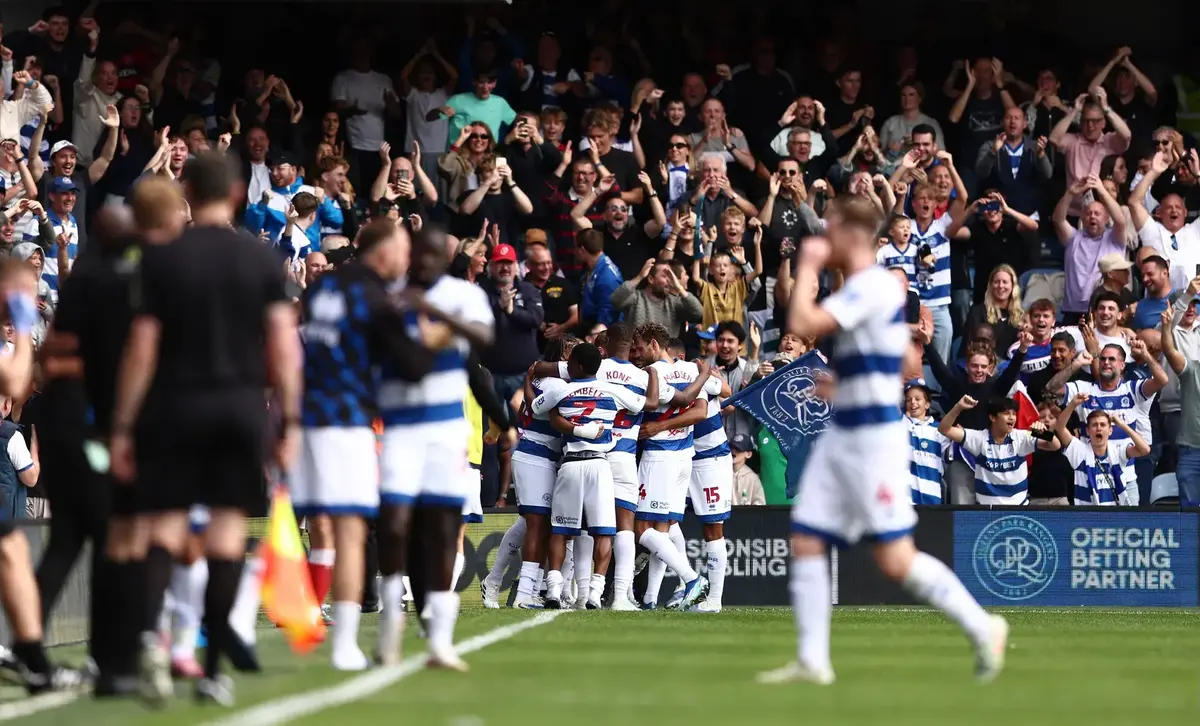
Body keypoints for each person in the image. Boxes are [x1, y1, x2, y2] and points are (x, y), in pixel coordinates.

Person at [758, 195, 1006, 687]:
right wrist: (845, 382)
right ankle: (813, 660)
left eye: (831, 229)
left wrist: (806, 265)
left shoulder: (874, 284)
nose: (824, 238)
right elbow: (898, 362)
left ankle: (984, 625)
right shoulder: (863, 288)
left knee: (895, 560)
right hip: (844, 431)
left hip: (872, 440)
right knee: (806, 539)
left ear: (853, 234)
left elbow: (802, 325)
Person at [107, 153, 303, 706]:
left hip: (172, 408)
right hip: (240, 410)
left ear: (187, 189)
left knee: (164, 531)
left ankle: (150, 636)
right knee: (223, 537)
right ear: (239, 192)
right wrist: (288, 418)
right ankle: (213, 669)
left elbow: (142, 348)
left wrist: (123, 425)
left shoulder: (164, 260)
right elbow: (284, 348)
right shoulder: (261, 259)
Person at [378, 225, 495, 670]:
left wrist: (434, 315)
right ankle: (392, 616)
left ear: (447, 258)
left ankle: (440, 640)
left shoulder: (464, 296)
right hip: (400, 427)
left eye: (434, 254)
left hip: (448, 431)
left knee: (445, 529)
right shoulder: (389, 297)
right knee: (393, 524)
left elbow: (485, 339)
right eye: (419, 254)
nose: (425, 261)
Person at [528, 342, 645, 610]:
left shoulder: (561, 389)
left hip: (570, 464)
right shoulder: (614, 390)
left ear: (578, 366)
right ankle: (595, 593)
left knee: (561, 529)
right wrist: (649, 377)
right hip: (600, 465)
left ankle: (554, 591)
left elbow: (534, 407)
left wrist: (532, 383)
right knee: (604, 531)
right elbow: (643, 404)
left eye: (570, 364)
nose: (567, 367)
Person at [630, 322, 712, 609]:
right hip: (684, 456)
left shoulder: (652, 374)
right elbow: (701, 410)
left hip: (659, 456)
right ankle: (651, 598)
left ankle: (691, 579)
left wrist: (659, 426)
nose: (637, 355)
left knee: (642, 529)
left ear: (655, 344)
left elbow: (665, 404)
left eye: (640, 348)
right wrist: (704, 374)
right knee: (662, 530)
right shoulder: (691, 369)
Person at [939, 395, 1059, 505]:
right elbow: (944, 429)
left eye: (1014, 414)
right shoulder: (979, 439)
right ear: (993, 417)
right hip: (987, 512)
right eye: (1007, 413)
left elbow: (1055, 446)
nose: (1012, 418)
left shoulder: (1021, 437)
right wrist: (958, 407)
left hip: (1019, 509)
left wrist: (1045, 434)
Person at [1054, 391, 1150, 505]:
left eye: (1103, 425)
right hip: (1088, 517)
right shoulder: (1079, 451)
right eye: (1094, 425)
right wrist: (1073, 404)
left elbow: (1145, 450)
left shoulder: (1118, 451)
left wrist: (1123, 425)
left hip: (1115, 516)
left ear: (1110, 430)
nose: (1099, 428)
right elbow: (1059, 428)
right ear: (1088, 431)